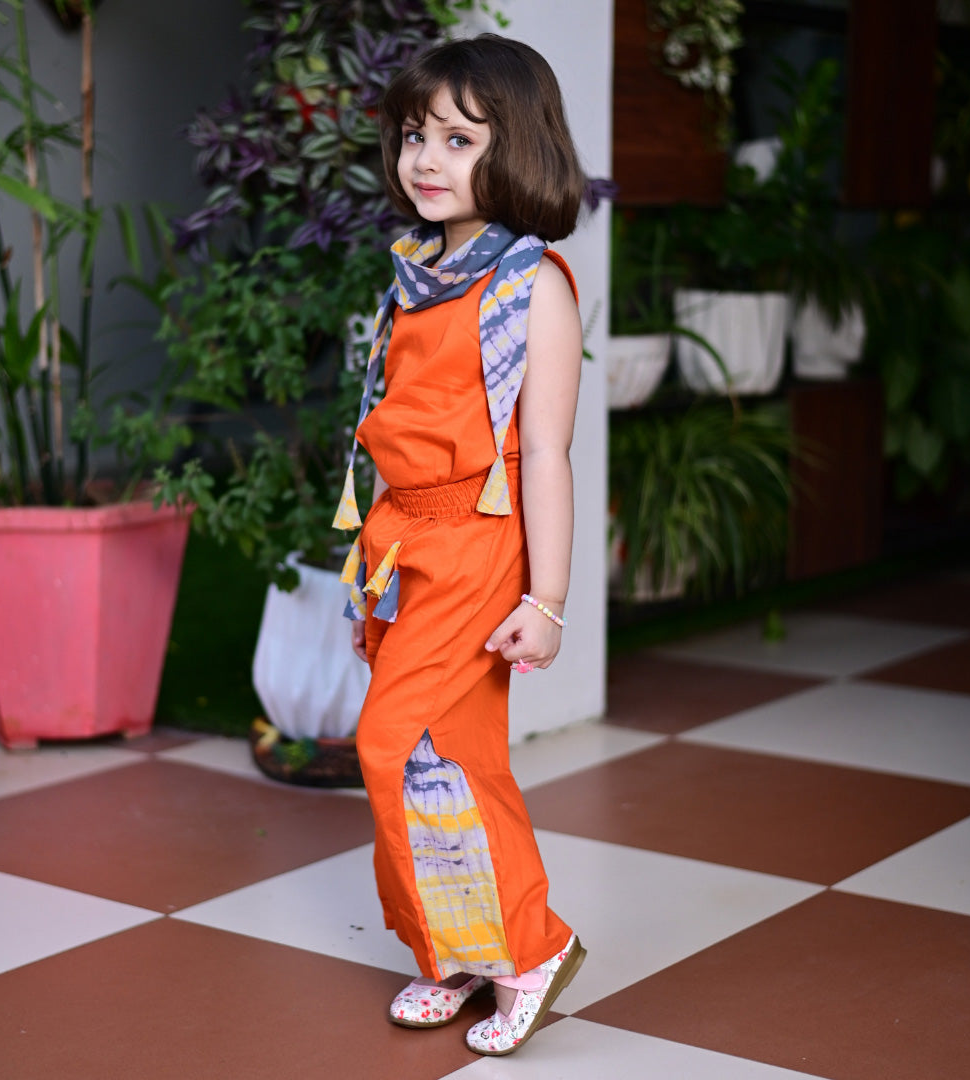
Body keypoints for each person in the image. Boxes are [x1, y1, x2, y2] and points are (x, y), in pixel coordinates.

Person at [333, 34, 587, 1057]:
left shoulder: (537, 287)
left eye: (458, 138)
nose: (424, 159)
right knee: (455, 754)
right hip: (404, 538)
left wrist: (551, 599)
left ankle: (531, 947)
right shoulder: (412, 276)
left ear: (515, 147)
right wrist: (368, 565)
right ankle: (461, 950)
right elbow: (381, 431)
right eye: (412, 136)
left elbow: (550, 459)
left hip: (478, 546)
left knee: (389, 744)